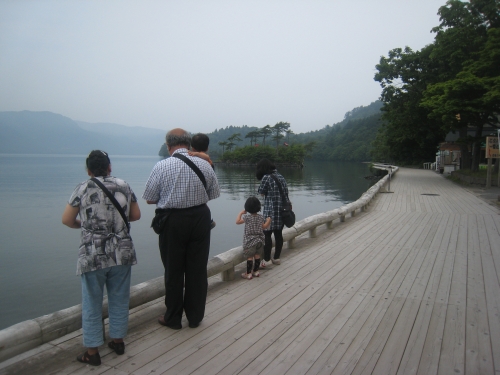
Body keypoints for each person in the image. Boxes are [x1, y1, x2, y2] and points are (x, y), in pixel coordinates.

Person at [62, 150, 141, 366]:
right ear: (109, 167)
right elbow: (135, 216)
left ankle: (92, 351)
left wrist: (84, 226)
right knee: (119, 298)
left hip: (92, 254)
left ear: (88, 170)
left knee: (91, 302)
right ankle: (117, 341)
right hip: (122, 251)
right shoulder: (124, 185)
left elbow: (67, 220)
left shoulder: (82, 187)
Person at [143, 128, 220, 330]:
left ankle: (173, 318)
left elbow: (150, 198)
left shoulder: (162, 166)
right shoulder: (205, 164)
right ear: (188, 144)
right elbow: (213, 193)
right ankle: (195, 317)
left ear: (169, 146)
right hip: (200, 219)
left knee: (174, 270)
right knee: (197, 269)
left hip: (173, 220)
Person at [256, 158, 291, 268]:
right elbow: (286, 193)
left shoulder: (266, 177)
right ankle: (276, 258)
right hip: (282, 210)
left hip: (270, 210)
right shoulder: (281, 176)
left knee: (267, 234)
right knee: (278, 234)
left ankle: (267, 259)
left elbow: (261, 192)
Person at [236, 197, 271, 280]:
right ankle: (256, 271)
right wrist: (269, 220)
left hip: (250, 241)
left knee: (249, 257)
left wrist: (241, 213)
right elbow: (264, 227)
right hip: (259, 240)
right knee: (257, 255)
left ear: (247, 208)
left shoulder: (247, 218)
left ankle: (248, 273)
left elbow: (237, 222)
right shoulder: (260, 217)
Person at [188, 133, 216, 229]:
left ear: (192, 147)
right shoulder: (206, 162)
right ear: (207, 147)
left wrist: (196, 154)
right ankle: (208, 221)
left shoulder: (202, 158)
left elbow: (206, 157)